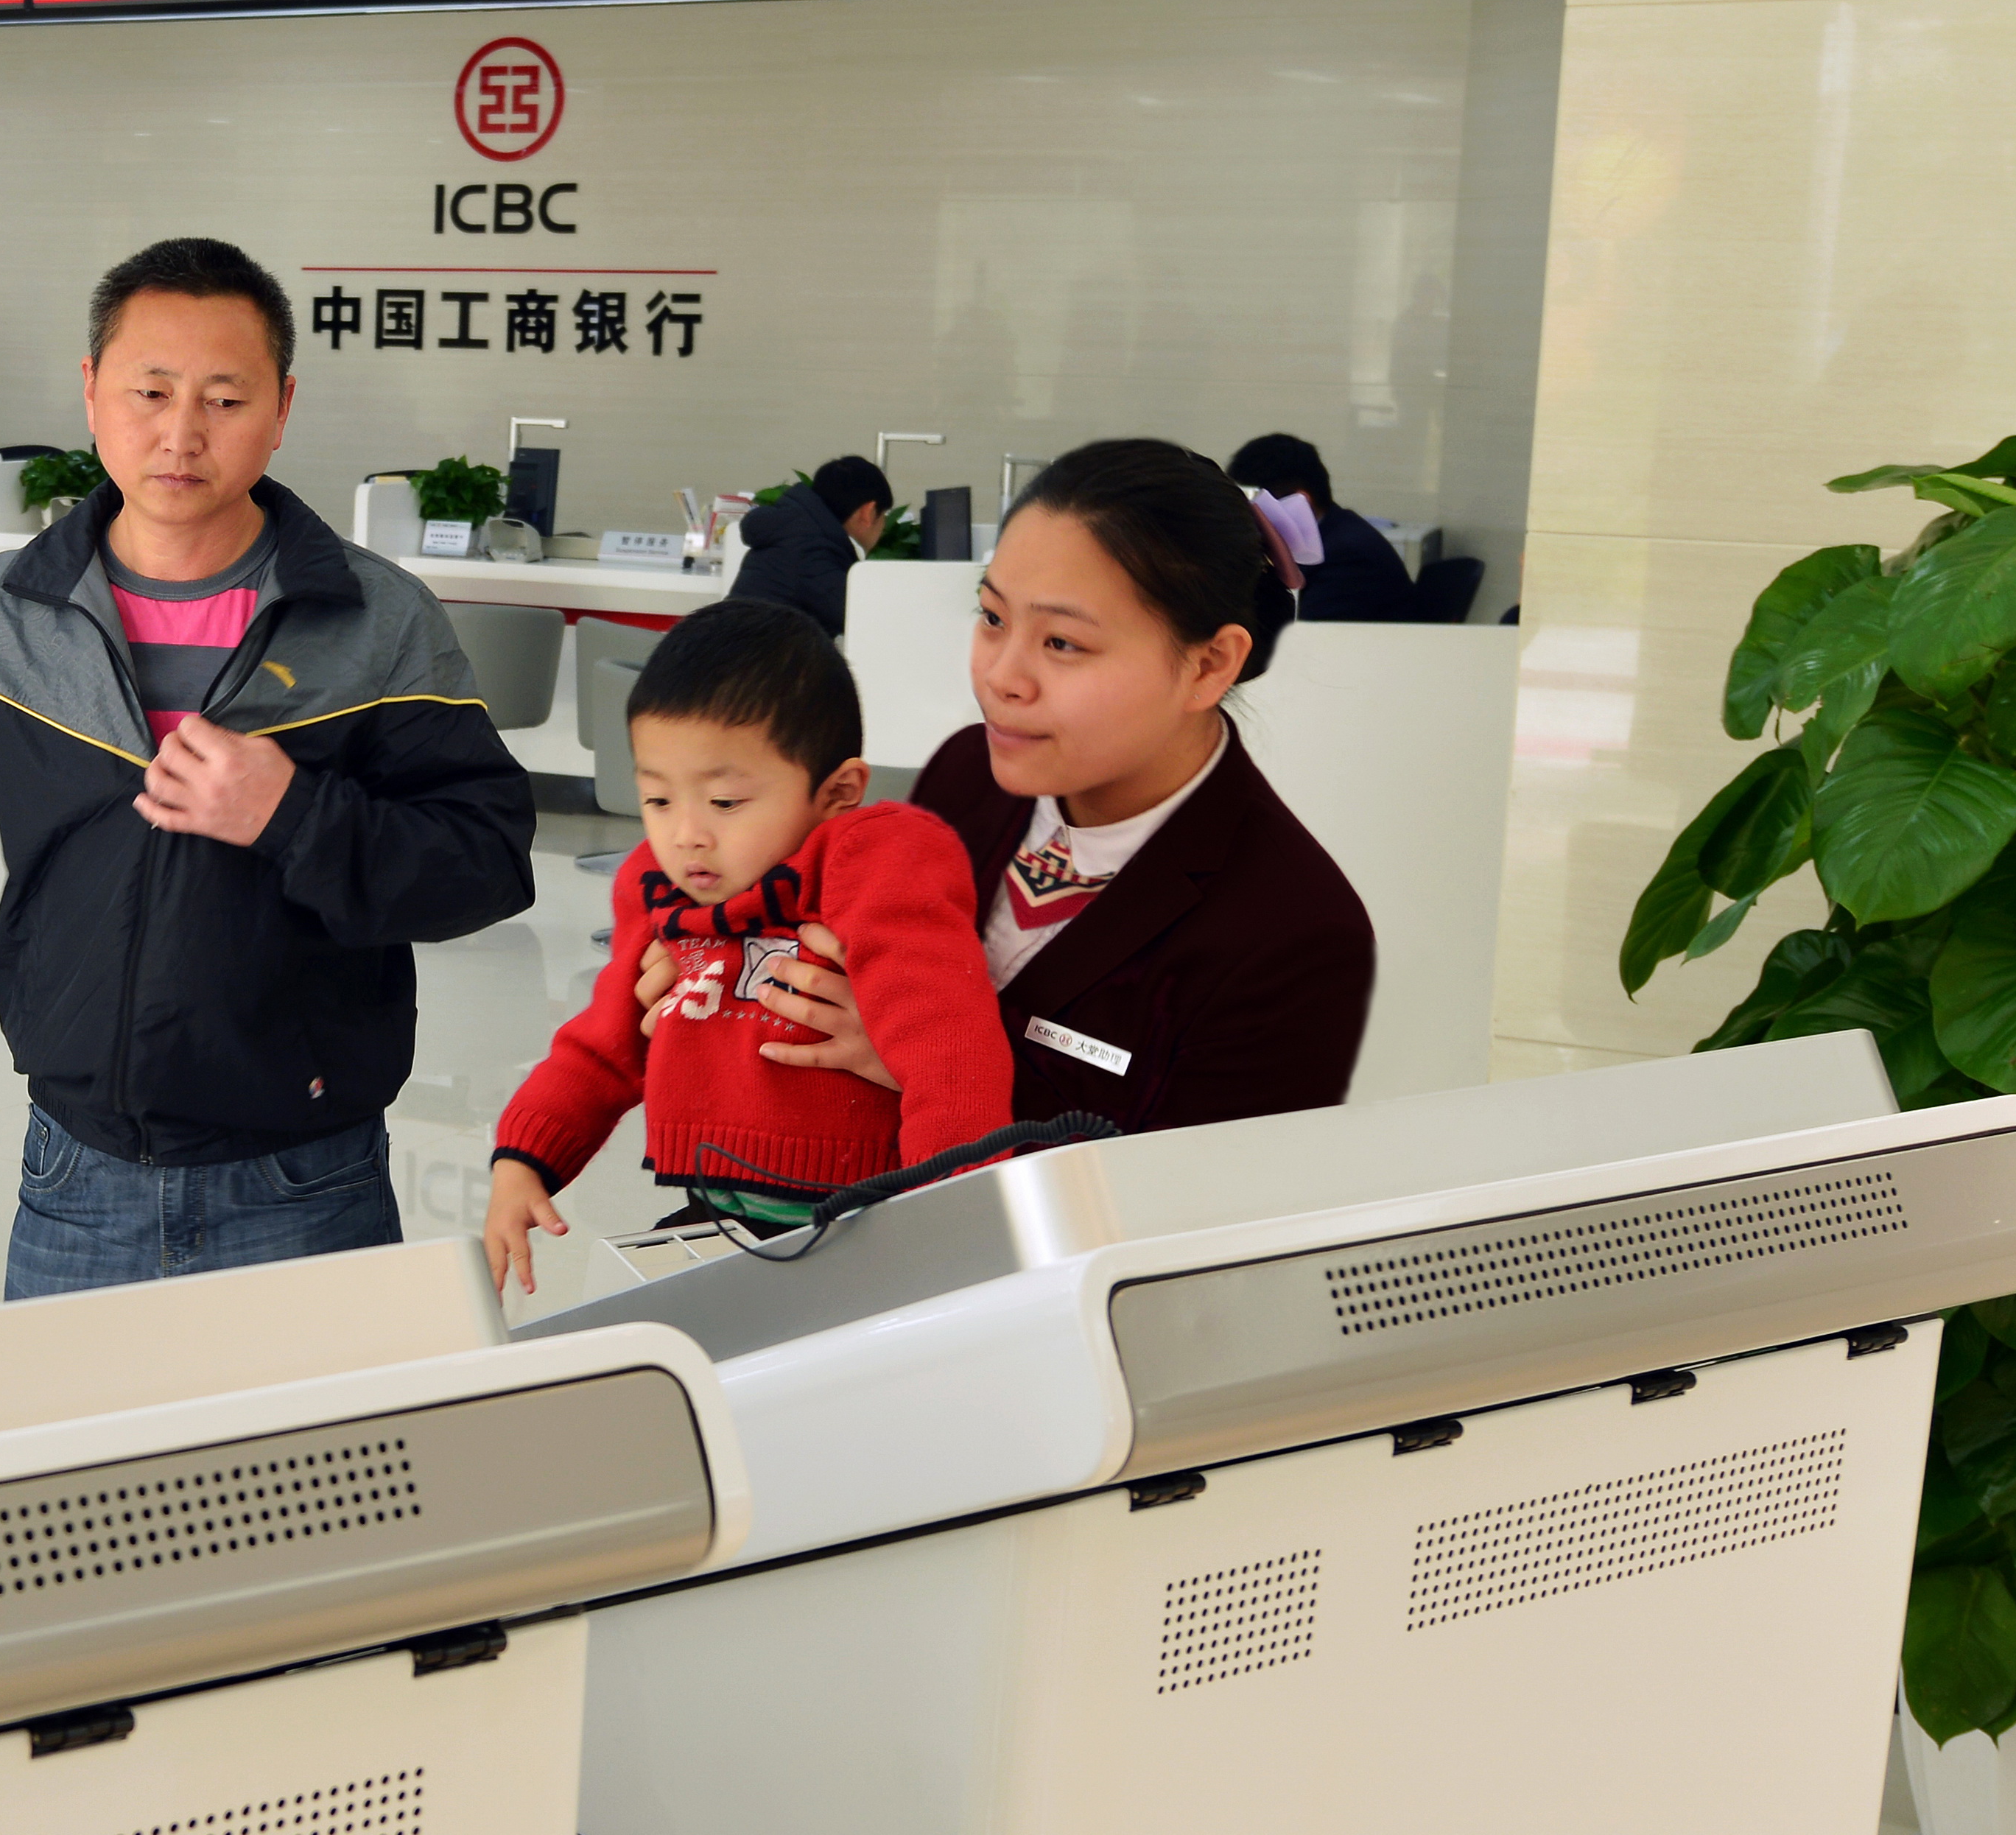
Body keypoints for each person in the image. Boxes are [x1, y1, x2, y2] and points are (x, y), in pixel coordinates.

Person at [0, 236, 531, 1297]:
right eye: (150, 391)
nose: (181, 433)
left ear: (283, 408)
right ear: (91, 389)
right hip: (76, 1180)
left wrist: (293, 814)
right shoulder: (2, 614)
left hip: (306, 1183)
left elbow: (487, 859)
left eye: (224, 399)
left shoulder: (377, 621)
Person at [689, 438, 1377, 1136]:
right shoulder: (968, 773)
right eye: (993, 618)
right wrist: (706, 968)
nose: (1000, 678)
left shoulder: (1293, 934)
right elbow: (850, 946)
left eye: (1062, 643)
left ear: (1208, 665)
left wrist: (929, 1065)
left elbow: (1199, 1191)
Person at [483, 600, 1013, 1290]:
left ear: (837, 791)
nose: (687, 835)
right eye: (658, 800)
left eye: (726, 802)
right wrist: (522, 1157)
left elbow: (947, 1041)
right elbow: (601, 1042)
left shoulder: (874, 862)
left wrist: (952, 1203)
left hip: (869, 1221)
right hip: (716, 1217)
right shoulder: (656, 885)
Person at [1226, 432, 1416, 624]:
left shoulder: (1350, 558)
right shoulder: (1333, 534)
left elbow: (1295, 631)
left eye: (1255, 505)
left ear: (1299, 501)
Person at [724, 454, 890, 634]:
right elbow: (861, 618)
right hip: (753, 649)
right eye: (883, 515)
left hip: (736, 644)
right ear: (868, 512)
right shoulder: (812, 551)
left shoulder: (796, 532)